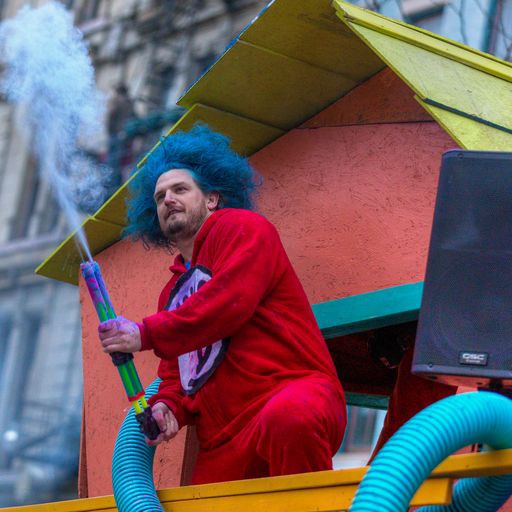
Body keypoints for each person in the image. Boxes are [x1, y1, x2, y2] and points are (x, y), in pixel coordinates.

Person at [97, 125, 347, 484]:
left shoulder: (244, 228)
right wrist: (169, 408)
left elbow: (227, 304)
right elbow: (175, 376)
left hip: (292, 396)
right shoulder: (171, 294)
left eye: (180, 189)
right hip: (224, 440)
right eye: (159, 196)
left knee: (289, 416)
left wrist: (143, 333)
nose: (167, 199)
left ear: (212, 199)